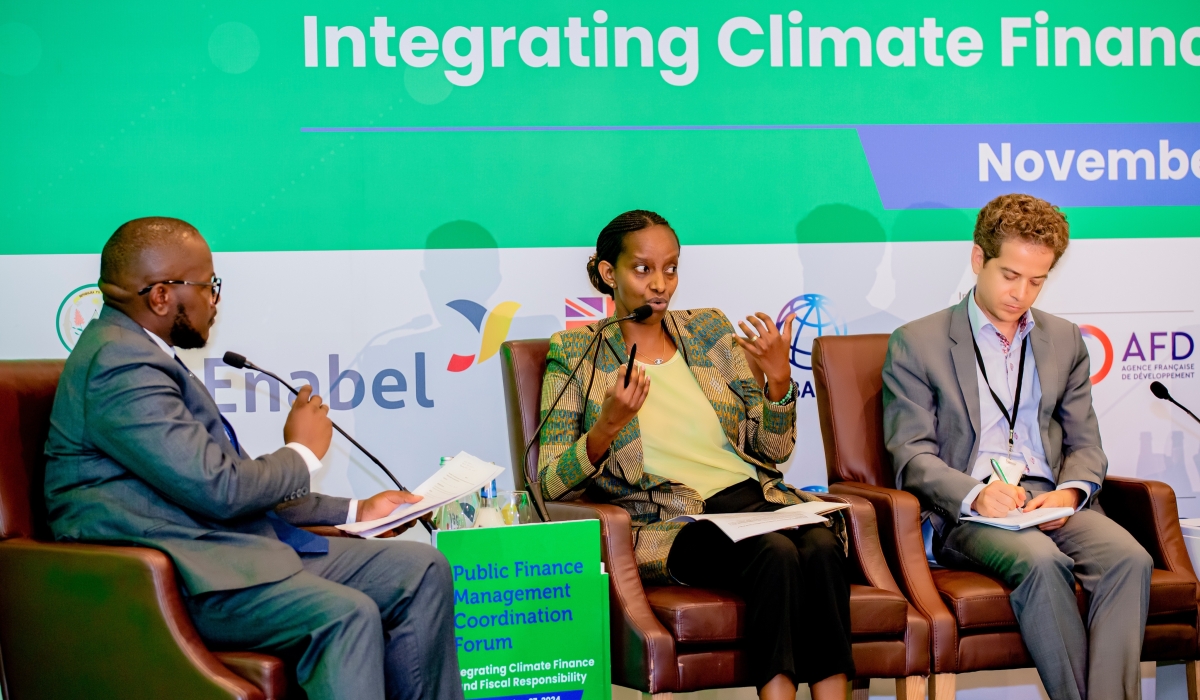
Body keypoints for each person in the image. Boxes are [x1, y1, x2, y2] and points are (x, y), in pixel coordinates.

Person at [43, 217, 463, 700]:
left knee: (421, 571)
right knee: (345, 614)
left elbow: (233, 483)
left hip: (230, 552)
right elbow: (221, 490)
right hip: (180, 577)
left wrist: (356, 513)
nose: (214, 301)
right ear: (160, 296)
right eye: (208, 286)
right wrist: (302, 451)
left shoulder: (145, 356)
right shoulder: (120, 365)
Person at [537, 210, 853, 700]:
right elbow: (547, 485)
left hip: (756, 499)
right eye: (642, 269)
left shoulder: (708, 331)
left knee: (821, 546)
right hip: (677, 524)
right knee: (776, 554)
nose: (660, 284)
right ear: (607, 273)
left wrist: (777, 384)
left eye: (671, 268)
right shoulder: (577, 350)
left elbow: (773, 450)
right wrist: (607, 426)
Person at [882, 194, 1152, 700]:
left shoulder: (1065, 339)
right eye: (1009, 275)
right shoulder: (917, 343)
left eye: (1037, 281)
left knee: (1128, 560)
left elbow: (1086, 443)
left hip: (1048, 499)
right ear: (978, 259)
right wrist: (976, 494)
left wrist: (1070, 493)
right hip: (968, 512)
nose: (1021, 294)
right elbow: (911, 456)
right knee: (1041, 561)